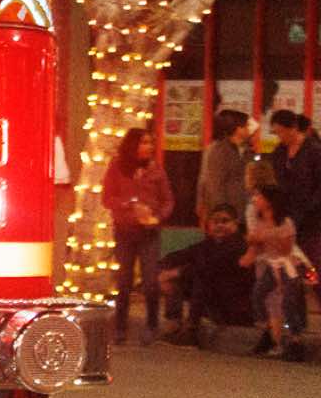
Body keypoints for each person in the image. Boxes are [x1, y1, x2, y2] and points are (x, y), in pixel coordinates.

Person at [101, 127, 173, 345]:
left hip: (149, 233)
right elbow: (107, 198)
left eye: (150, 143)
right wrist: (130, 204)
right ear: (133, 145)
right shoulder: (117, 167)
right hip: (125, 232)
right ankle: (120, 327)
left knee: (150, 281)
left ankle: (152, 325)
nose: (148, 147)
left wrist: (158, 217)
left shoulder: (156, 170)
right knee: (124, 281)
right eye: (144, 143)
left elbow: (168, 200)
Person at [158, 204, 252, 346]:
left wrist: (173, 273)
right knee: (175, 279)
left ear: (235, 224)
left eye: (225, 221)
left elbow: (208, 267)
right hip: (213, 298)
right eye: (215, 222)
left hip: (234, 305)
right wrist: (159, 269)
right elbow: (182, 255)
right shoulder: (208, 244)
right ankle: (174, 325)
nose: (219, 225)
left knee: (200, 278)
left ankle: (192, 330)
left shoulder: (239, 245)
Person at [241, 186, 313, 361]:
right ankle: (268, 330)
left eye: (259, 196)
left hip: (289, 265)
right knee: (258, 294)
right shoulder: (260, 222)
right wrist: (249, 254)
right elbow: (256, 245)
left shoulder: (285, 223)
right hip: (272, 264)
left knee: (288, 301)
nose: (255, 199)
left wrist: (267, 236)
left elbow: (286, 249)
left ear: (269, 201)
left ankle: (296, 339)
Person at [266, 109, 321, 269]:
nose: (279, 136)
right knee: (288, 264)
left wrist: (308, 208)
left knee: (311, 262)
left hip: (311, 218)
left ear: (294, 128)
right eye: (276, 133)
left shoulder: (314, 151)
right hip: (286, 216)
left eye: (281, 132)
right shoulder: (279, 152)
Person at [199, 108, 255, 228]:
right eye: (246, 126)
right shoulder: (219, 151)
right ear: (238, 129)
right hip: (228, 216)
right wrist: (223, 215)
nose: (249, 129)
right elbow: (215, 186)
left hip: (246, 215)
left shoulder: (248, 150)